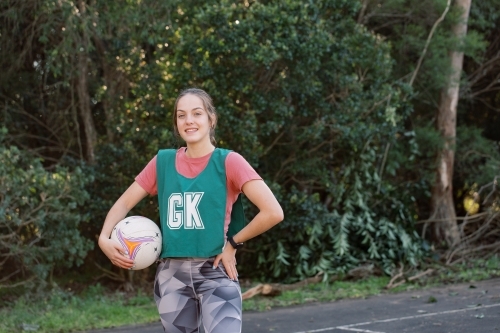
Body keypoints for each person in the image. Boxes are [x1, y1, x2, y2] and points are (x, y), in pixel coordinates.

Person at [98, 87, 284, 333]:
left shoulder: (229, 162)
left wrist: (233, 244)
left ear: (211, 118)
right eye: (181, 115)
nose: (189, 121)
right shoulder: (162, 162)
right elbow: (123, 203)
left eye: (197, 113)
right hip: (171, 278)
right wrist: (104, 237)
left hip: (216, 273)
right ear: (176, 122)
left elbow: (273, 212)